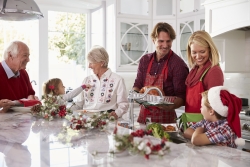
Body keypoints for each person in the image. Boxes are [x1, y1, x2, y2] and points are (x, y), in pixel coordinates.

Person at [133, 22, 189, 124]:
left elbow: (182, 97)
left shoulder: (178, 64)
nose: (165, 45)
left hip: (165, 121)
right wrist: (135, 96)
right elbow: (138, 85)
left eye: (168, 41)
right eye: (161, 41)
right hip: (143, 118)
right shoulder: (145, 60)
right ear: (153, 40)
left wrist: (167, 105)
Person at [72, 45, 129, 119]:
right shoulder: (87, 80)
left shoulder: (118, 80)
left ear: (101, 63)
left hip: (107, 119)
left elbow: (123, 104)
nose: (89, 66)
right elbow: (79, 104)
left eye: (91, 63)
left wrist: (116, 114)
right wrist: (64, 110)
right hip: (86, 119)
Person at [185, 31, 224, 113]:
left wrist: (202, 125)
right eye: (194, 52)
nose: (198, 56)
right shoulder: (194, 70)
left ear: (209, 49)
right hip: (190, 122)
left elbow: (214, 107)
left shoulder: (214, 71)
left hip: (204, 124)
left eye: (202, 52)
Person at [0, 41, 38, 112]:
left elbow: (30, 93)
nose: (28, 60)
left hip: (21, 120)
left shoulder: (23, 73)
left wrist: (32, 99)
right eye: (25, 55)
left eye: (28, 56)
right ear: (10, 56)